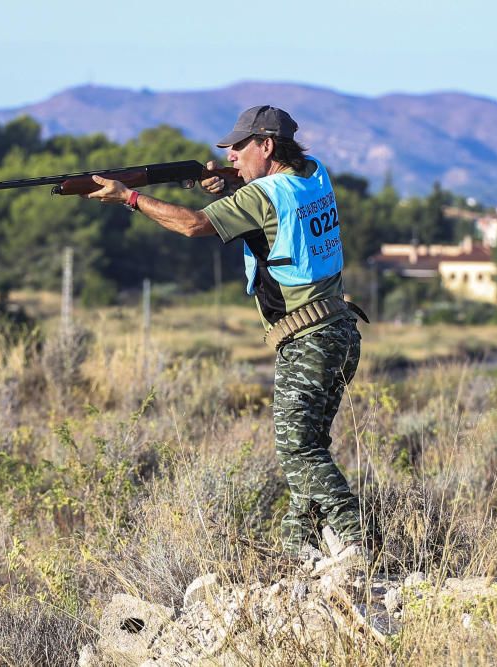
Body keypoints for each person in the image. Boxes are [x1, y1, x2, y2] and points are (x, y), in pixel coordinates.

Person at [84, 105, 374, 565]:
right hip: (338, 330)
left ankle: (360, 539)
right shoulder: (316, 175)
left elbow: (194, 224)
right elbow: (276, 197)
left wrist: (129, 198)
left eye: (239, 148)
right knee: (307, 448)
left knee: (297, 446)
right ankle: (301, 550)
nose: (231, 157)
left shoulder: (263, 195)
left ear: (266, 145)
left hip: (310, 339)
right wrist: (235, 183)